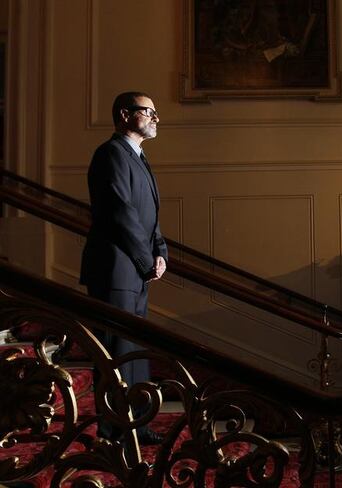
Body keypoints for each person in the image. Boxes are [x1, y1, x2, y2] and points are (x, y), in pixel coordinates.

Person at [80, 91, 168, 445]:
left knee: (133, 351)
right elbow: (120, 213)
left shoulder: (139, 157)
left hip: (136, 270)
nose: (155, 118)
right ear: (124, 114)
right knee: (116, 352)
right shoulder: (111, 154)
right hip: (116, 269)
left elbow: (150, 217)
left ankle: (136, 426)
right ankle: (113, 430)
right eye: (148, 111)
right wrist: (146, 260)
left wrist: (160, 252)